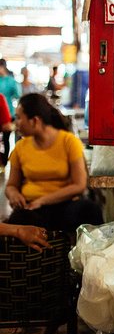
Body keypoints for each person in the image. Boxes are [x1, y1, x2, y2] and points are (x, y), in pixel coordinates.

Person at [5, 93, 102, 232]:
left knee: (89, 210)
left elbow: (79, 185)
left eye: (19, 118)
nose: (16, 122)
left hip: (64, 205)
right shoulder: (21, 147)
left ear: (35, 121)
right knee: (18, 220)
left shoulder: (68, 142)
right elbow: (11, 185)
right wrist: (14, 194)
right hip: (31, 207)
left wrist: (42, 200)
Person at [0, 59, 20, 167]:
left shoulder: (11, 80)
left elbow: (17, 94)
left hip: (8, 113)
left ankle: (4, 162)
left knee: (6, 138)